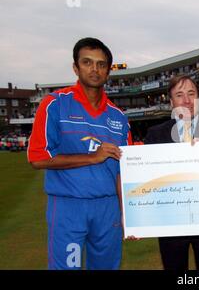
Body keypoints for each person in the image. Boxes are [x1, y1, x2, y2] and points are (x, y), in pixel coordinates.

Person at [27, 37, 132, 270]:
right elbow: (37, 157)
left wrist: (128, 214)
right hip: (68, 206)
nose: (94, 69)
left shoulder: (119, 117)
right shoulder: (54, 104)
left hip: (108, 209)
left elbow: (122, 172)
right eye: (87, 62)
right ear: (76, 67)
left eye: (101, 64)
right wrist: (93, 157)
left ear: (108, 71)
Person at [144, 74, 199, 270]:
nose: (187, 100)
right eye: (180, 95)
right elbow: (147, 179)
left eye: (191, 93)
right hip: (170, 223)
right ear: (171, 102)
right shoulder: (155, 134)